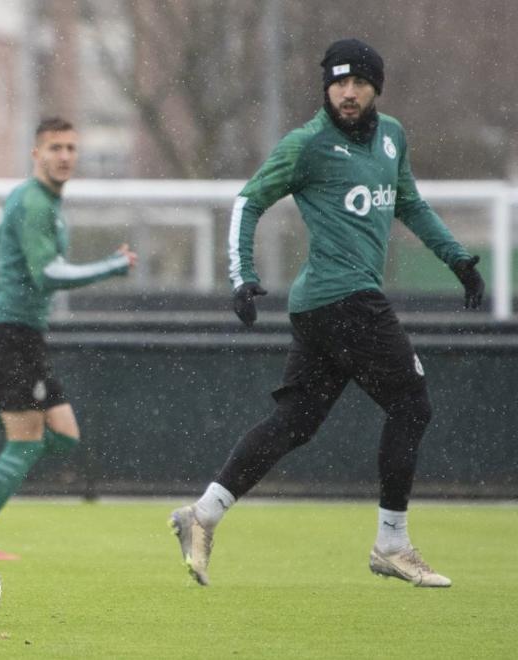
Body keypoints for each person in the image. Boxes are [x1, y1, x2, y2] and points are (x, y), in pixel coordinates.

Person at [168, 39, 485, 588]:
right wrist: (241, 276)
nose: (348, 91)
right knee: (412, 405)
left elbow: (409, 203)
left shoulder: (392, 138)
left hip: (324, 307)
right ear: (326, 88)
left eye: (360, 82)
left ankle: (203, 515)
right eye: (339, 82)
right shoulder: (308, 143)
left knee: (296, 423)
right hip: (344, 300)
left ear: (375, 89)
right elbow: (249, 200)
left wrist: (457, 259)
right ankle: (392, 543)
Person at [0, 117, 138, 560]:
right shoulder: (34, 202)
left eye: (71, 148)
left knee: (65, 437)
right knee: (25, 442)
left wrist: (12, 288)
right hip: (10, 334)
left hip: (22, 333)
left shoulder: (37, 202)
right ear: (36, 155)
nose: (64, 156)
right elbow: (49, 273)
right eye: (55, 148)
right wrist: (111, 268)